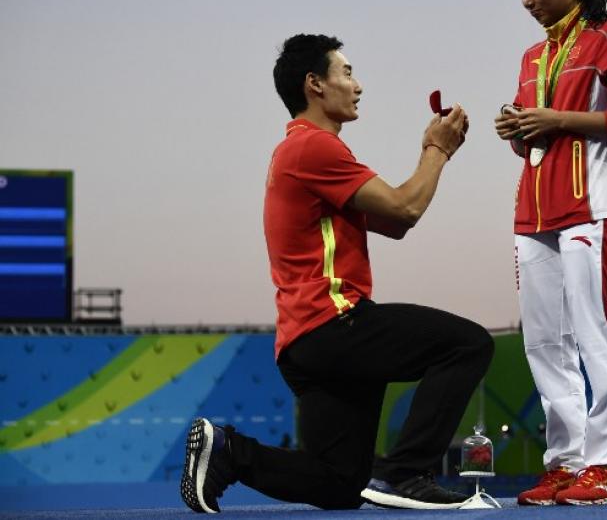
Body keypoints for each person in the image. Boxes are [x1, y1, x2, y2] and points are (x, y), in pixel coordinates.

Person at [180, 34, 494, 513]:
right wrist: (438, 149)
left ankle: (228, 452)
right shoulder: (314, 149)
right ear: (315, 85)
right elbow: (406, 207)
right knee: (468, 344)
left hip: (305, 342)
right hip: (335, 322)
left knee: (338, 483)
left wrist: (431, 154)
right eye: (346, 73)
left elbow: (392, 223)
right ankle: (408, 473)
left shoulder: (301, 153)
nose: (358, 85)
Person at [493, 0, 607, 505]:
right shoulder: (532, 57)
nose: (526, 0)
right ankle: (565, 463)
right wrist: (519, 129)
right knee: (543, 342)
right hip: (533, 209)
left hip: (592, 206)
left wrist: (556, 118)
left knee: (596, 333)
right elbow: (538, 140)